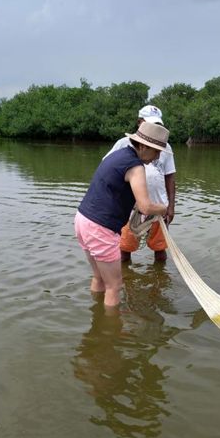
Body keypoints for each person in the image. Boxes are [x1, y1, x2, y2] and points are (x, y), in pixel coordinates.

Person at [75, 121, 170, 308]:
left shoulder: (118, 155)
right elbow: (145, 207)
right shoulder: (136, 167)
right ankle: (110, 334)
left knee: (99, 277)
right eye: (156, 150)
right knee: (114, 286)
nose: (158, 156)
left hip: (82, 220)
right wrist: (163, 209)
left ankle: (97, 315)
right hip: (100, 227)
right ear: (142, 146)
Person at [102, 105, 177, 262]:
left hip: (158, 206)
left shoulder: (165, 146)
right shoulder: (123, 144)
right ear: (139, 122)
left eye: (157, 125)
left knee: (160, 250)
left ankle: (158, 284)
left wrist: (170, 206)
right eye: (149, 123)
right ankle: (127, 283)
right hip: (129, 209)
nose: (153, 128)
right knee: (124, 250)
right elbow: (107, 170)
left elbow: (170, 176)